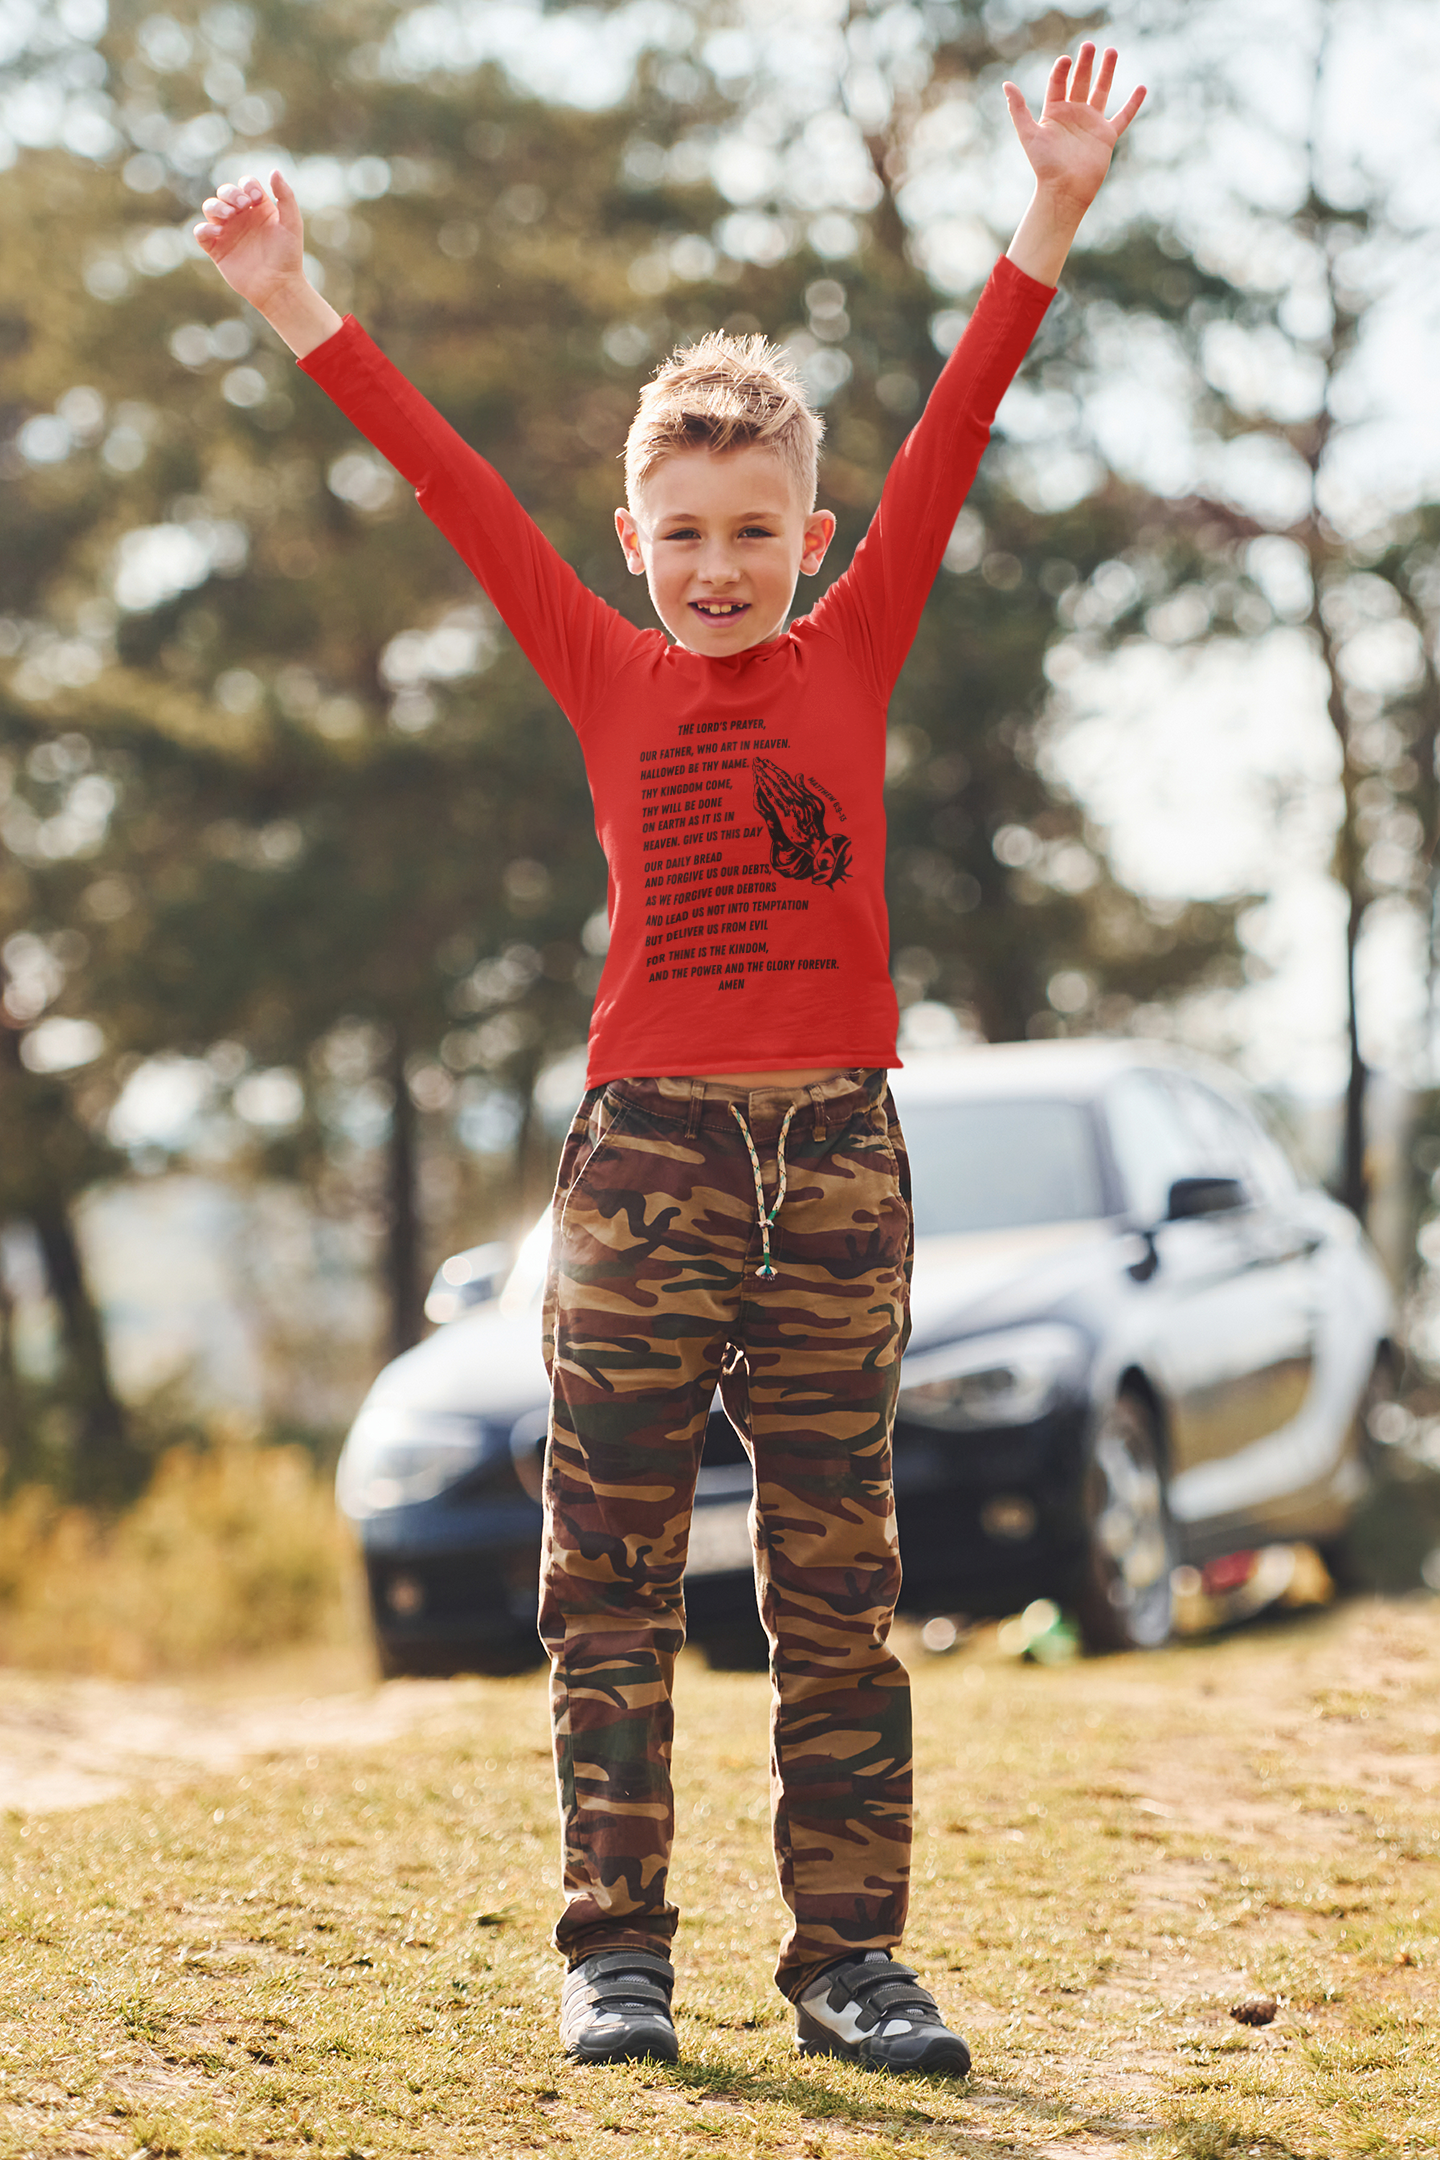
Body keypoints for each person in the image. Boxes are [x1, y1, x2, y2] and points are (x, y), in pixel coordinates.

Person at [195, 43, 1143, 2077]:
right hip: (649, 1168)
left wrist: (1050, 210)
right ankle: (615, 1946)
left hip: (841, 1171)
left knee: (838, 1588)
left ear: (810, 539)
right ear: (631, 542)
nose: (720, 560)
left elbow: (967, 415)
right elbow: (449, 486)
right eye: (684, 528)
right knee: (603, 1577)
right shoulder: (604, 660)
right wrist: (299, 305)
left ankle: (850, 1962)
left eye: (756, 527)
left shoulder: (856, 642)